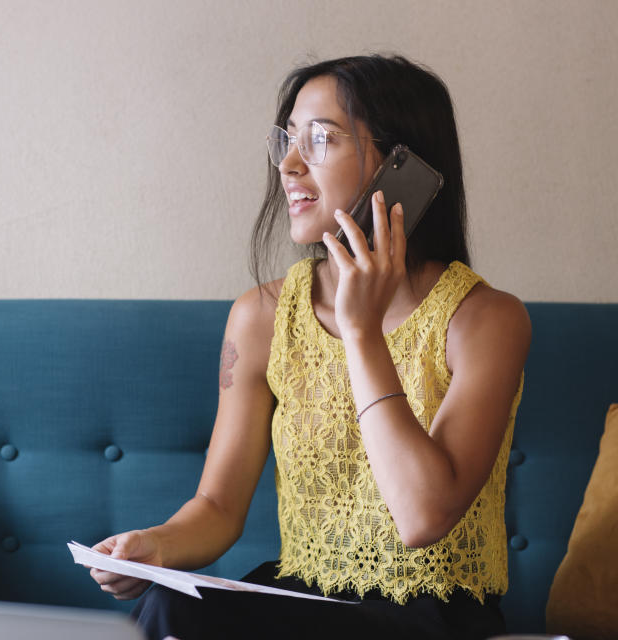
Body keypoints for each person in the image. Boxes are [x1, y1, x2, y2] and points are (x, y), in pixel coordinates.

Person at [88, 54, 531, 640]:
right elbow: (218, 507)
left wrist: (361, 331)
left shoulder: (485, 319)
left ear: (402, 165)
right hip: (304, 598)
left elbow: (424, 515)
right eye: (287, 139)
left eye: (321, 139)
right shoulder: (261, 316)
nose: (290, 165)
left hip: (428, 615)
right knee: (172, 609)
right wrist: (155, 547)